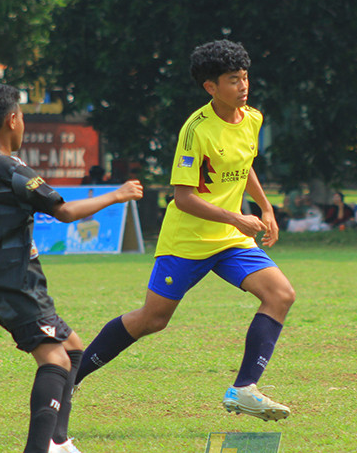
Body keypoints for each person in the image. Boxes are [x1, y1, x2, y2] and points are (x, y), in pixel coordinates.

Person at [73, 39, 296, 422]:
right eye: (232, 80)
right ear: (210, 87)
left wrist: (264, 206)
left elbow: (244, 165)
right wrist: (238, 218)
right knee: (152, 320)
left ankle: (244, 388)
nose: (243, 86)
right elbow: (184, 198)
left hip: (229, 239)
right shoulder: (195, 130)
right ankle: (69, 376)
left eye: (244, 78)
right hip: (188, 240)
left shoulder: (252, 118)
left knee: (281, 294)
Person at [0, 83, 143, 453]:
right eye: (21, 115)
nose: (22, 122)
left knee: (72, 348)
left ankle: (57, 442)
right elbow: (66, 211)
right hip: (15, 282)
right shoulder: (10, 169)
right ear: (12, 120)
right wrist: (118, 194)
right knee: (54, 359)